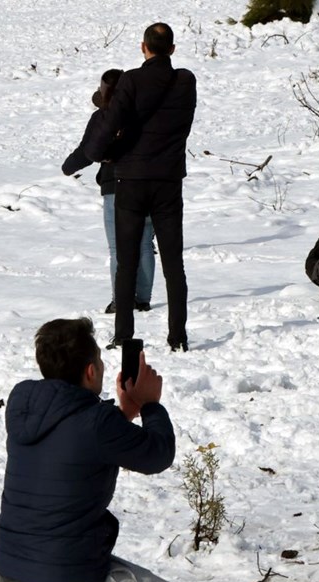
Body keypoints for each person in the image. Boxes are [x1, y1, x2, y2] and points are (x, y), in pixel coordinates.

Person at [0, 318, 186, 582]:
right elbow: (158, 455)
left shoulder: (22, 401)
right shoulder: (97, 423)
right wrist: (149, 406)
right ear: (91, 369)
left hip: (11, 576)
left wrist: (123, 412)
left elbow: (76, 435)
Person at [85, 23, 197, 352]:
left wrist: (96, 153)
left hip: (130, 180)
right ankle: (178, 336)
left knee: (127, 259)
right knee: (173, 263)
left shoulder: (131, 80)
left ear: (143, 47)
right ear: (173, 49)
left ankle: (124, 335)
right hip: (168, 182)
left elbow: (112, 122)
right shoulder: (186, 81)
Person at [62, 68, 156, 316]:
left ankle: (120, 301)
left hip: (115, 186)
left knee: (118, 248)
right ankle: (143, 300)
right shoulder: (145, 113)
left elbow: (87, 151)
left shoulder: (103, 117)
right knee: (145, 243)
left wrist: (67, 167)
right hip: (146, 182)